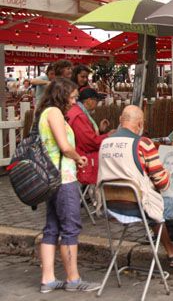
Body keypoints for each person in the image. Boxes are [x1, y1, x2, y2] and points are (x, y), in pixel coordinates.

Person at [98, 106, 173, 268]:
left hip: (113, 207)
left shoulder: (105, 143)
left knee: (154, 206)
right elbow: (163, 183)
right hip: (140, 207)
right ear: (140, 124)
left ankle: (172, 251)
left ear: (120, 121)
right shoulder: (143, 144)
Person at [36, 78, 100, 293]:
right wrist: (78, 157)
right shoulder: (54, 113)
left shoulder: (45, 113)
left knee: (52, 228)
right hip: (63, 178)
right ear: (62, 95)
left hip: (51, 177)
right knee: (70, 228)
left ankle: (48, 278)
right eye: (72, 97)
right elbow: (64, 146)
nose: (74, 102)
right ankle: (73, 278)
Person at [66, 88, 111, 185]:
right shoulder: (78, 115)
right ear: (89, 101)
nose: (97, 104)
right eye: (96, 101)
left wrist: (101, 131)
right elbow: (89, 143)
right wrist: (108, 136)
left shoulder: (78, 112)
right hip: (79, 161)